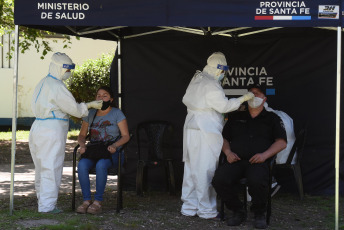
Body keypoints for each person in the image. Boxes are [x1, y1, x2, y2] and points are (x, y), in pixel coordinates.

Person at [181, 52, 255, 219]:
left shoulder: (197, 79)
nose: (223, 75)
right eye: (223, 72)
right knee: (205, 169)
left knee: (191, 167)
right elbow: (223, 106)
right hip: (205, 129)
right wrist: (243, 98)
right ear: (218, 70)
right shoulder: (211, 84)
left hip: (191, 128)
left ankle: (189, 206)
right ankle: (206, 209)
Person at [29, 52, 103, 213]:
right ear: (59, 68)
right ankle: (47, 207)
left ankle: (43, 203)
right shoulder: (57, 86)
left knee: (41, 168)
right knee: (51, 167)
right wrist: (89, 105)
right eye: (67, 69)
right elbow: (74, 109)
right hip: (51, 130)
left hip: (38, 127)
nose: (69, 72)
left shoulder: (44, 82)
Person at [211, 83, 287, 229]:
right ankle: (238, 210)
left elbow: (281, 143)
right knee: (219, 180)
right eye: (251, 92)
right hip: (236, 160)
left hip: (259, 161)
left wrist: (265, 155)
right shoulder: (236, 116)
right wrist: (227, 153)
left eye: (258, 93)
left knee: (257, 181)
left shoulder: (272, 118)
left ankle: (259, 213)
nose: (254, 95)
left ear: (264, 99)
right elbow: (224, 138)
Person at [76, 86, 130, 214]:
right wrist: (82, 145)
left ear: (111, 99)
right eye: (98, 96)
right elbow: (82, 135)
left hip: (111, 153)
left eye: (104, 95)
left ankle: (98, 202)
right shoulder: (90, 114)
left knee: (101, 165)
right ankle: (86, 201)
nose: (101, 98)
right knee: (82, 164)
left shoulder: (117, 113)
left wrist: (115, 146)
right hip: (94, 151)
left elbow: (126, 136)